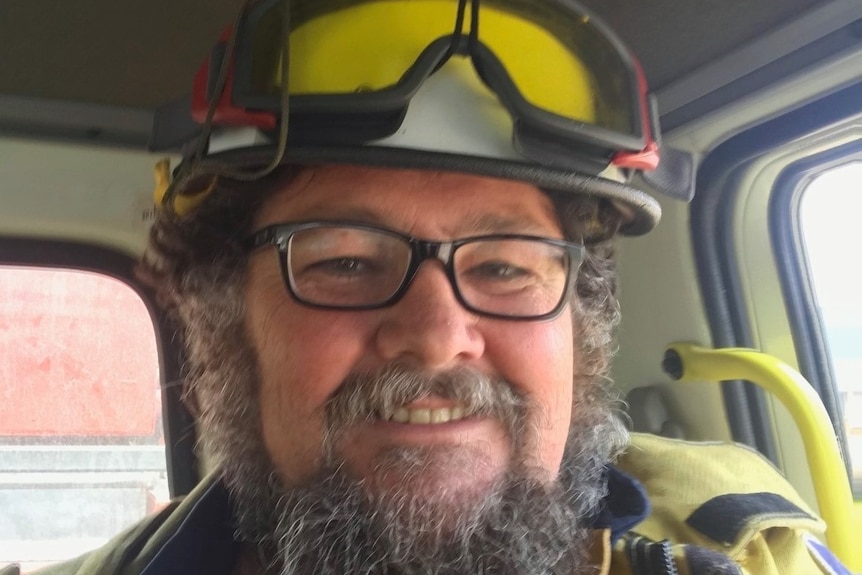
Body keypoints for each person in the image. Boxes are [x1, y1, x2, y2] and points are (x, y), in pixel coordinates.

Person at [18, 0, 851, 574]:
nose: (435, 331)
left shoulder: (751, 544)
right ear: (227, 319)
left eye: (504, 266)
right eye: (343, 261)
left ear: (577, 328)